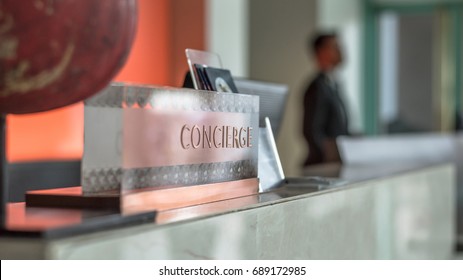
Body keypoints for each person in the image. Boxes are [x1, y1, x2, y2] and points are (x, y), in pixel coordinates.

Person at [302, 33, 349, 166]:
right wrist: (330, 155)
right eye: (335, 46)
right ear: (321, 52)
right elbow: (311, 131)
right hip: (323, 166)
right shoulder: (317, 88)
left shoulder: (333, 85)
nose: (340, 50)